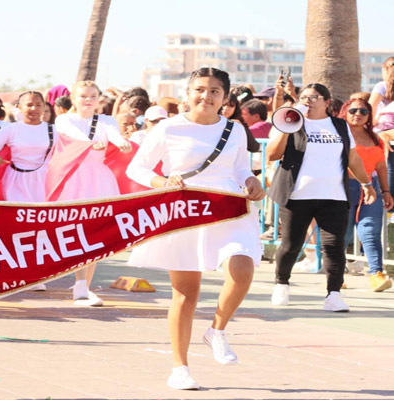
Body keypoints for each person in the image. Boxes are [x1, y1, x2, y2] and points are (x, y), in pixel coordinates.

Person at [126, 67, 263, 390]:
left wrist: (251, 180)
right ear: (187, 93)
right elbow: (137, 168)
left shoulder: (235, 130)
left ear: (225, 97)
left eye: (215, 90)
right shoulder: (168, 128)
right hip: (184, 209)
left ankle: (217, 329)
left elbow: (241, 167)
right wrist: (163, 181)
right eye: (199, 89)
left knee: (242, 268)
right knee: (186, 294)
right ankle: (180, 367)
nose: (206, 96)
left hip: (228, 207)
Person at [267, 83, 376, 312]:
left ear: (327, 102)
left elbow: (353, 159)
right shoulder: (291, 121)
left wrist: (366, 183)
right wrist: (287, 126)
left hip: (333, 195)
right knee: (291, 245)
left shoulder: (339, 125)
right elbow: (272, 154)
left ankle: (333, 294)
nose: (308, 100)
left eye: (314, 97)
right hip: (297, 195)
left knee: (334, 246)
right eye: (304, 96)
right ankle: (281, 283)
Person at [50, 80, 132, 306]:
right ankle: (70, 280)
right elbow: (74, 136)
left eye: (93, 96)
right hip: (72, 178)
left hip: (99, 179)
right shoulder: (64, 119)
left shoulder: (106, 120)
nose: (88, 100)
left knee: (95, 234)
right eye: (83, 96)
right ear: (73, 99)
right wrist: (89, 144)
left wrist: (121, 142)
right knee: (72, 231)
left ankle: (82, 287)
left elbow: (113, 134)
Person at [338, 99, 393, 291]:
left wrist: (386, 191)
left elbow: (380, 166)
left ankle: (376, 274)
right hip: (342, 188)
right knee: (341, 233)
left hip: (371, 188)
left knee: (370, 231)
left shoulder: (376, 139)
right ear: (345, 112)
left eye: (363, 111)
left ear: (369, 116)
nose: (358, 114)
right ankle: (336, 274)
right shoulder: (338, 135)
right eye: (353, 110)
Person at [0, 90, 57, 203]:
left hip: (44, 180)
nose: (34, 109)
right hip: (15, 180)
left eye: (38, 105)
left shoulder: (54, 130)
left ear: (43, 107)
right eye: (29, 105)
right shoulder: (11, 129)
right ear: (20, 107)